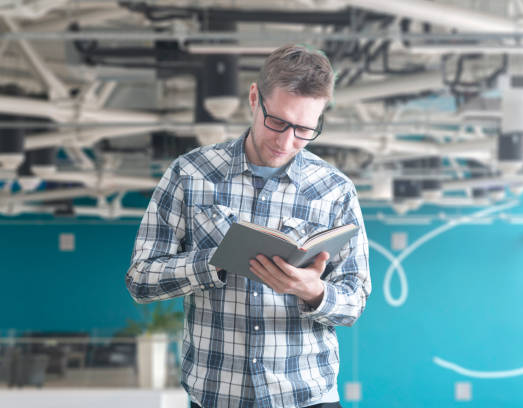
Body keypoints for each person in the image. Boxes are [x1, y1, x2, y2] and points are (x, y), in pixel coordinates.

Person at [126, 44, 371, 408]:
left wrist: (314, 291)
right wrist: (216, 261)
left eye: (305, 129)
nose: (287, 142)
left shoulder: (335, 190)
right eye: (278, 122)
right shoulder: (189, 174)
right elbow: (140, 281)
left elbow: (355, 300)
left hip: (307, 397)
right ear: (255, 98)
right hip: (217, 396)